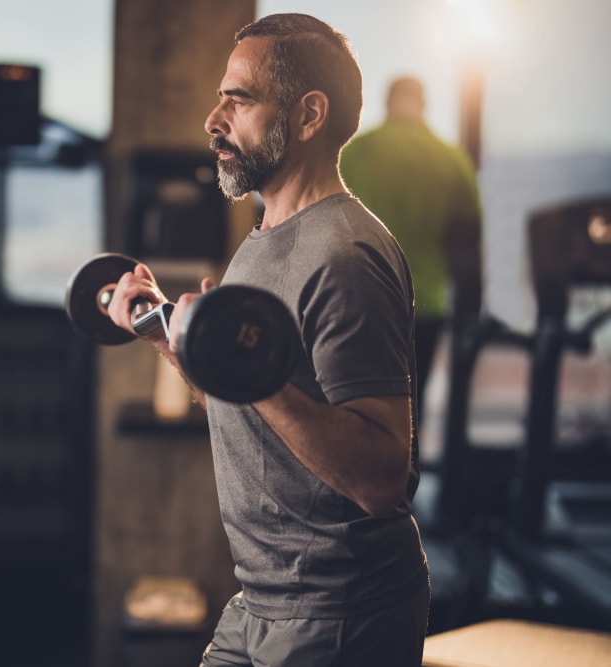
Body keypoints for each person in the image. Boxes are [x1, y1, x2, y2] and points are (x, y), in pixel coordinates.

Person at [106, 13, 429, 666]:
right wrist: (164, 330)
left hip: (340, 607)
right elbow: (242, 395)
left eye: (240, 98)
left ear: (309, 115)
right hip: (262, 597)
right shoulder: (261, 242)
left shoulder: (345, 255)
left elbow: (382, 476)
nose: (213, 119)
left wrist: (244, 367)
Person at [340, 76, 483, 420]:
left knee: (347, 410)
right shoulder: (452, 160)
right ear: (423, 104)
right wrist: (470, 315)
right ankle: (399, 474)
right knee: (406, 414)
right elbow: (467, 248)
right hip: (423, 308)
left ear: (388, 102)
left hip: (353, 302)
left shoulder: (353, 153)